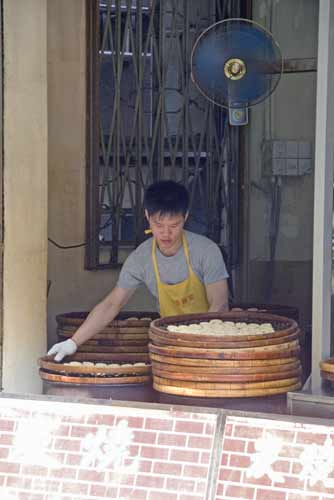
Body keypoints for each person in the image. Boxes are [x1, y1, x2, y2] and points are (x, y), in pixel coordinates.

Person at [48, 180, 229, 361]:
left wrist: (202, 347)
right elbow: (112, 304)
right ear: (147, 216)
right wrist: (73, 342)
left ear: (186, 217)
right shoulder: (141, 258)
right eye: (158, 225)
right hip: (172, 344)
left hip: (211, 344)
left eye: (174, 226)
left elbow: (219, 305)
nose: (166, 233)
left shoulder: (206, 251)